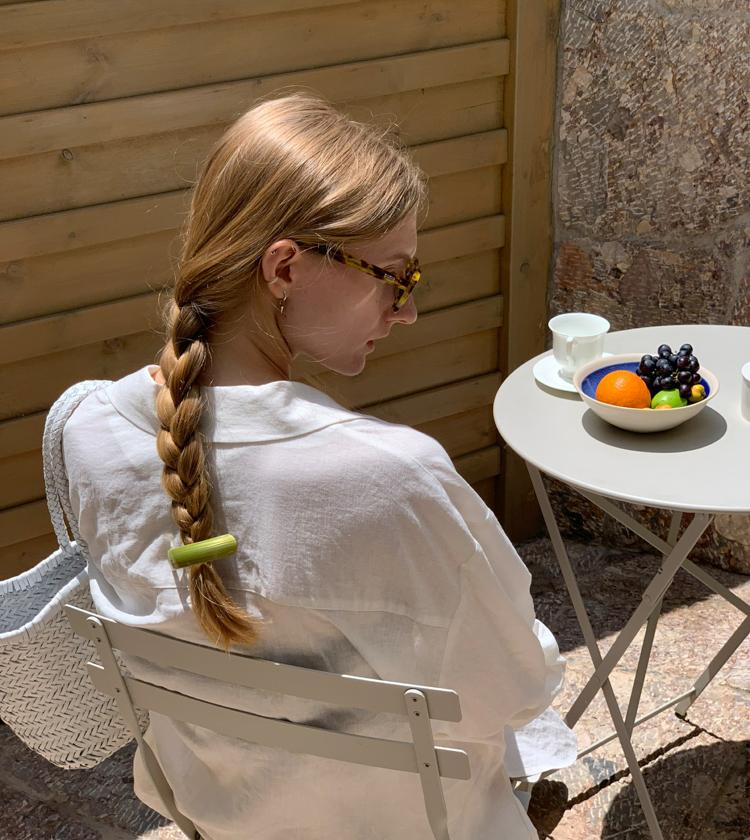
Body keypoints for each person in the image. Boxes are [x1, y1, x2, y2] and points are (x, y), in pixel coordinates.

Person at [61, 93, 575, 840]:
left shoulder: (84, 430)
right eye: (394, 275)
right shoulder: (392, 477)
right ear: (285, 268)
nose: (407, 310)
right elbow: (517, 685)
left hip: (222, 818)